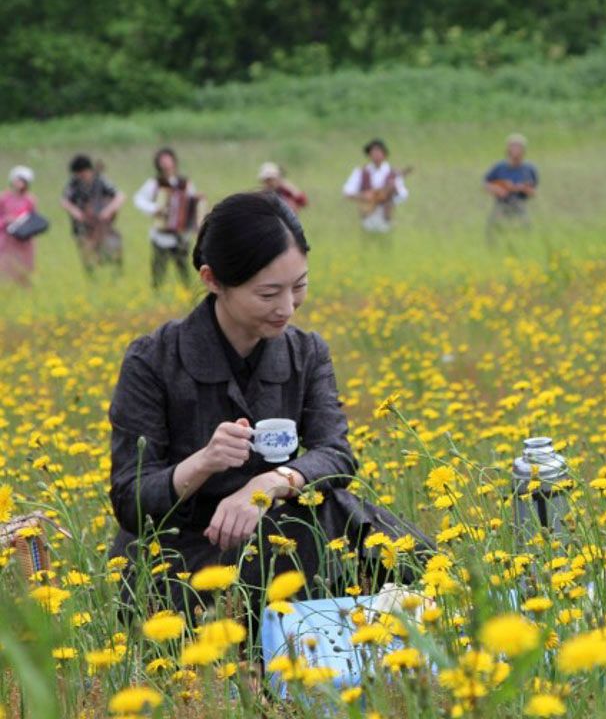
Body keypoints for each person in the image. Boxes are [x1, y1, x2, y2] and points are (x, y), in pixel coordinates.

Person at [107, 192, 429, 622]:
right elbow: (130, 499)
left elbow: (335, 454)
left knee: (344, 515)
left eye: (299, 287)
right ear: (212, 279)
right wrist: (203, 463)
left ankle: (424, 610)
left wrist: (267, 486)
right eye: (268, 293)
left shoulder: (307, 352)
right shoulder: (153, 360)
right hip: (185, 555)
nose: (287, 308)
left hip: (273, 533)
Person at [134, 147, 202, 288]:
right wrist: (154, 209)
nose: (166, 163)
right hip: (161, 234)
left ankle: (187, 294)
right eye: (162, 161)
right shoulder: (154, 183)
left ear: (174, 161)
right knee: (158, 270)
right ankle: (157, 294)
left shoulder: (185, 183)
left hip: (181, 234)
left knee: (184, 269)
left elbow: (193, 203)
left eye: (168, 160)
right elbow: (138, 199)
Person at [60, 155, 126, 275]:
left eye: (83, 173)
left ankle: (115, 276)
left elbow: (120, 196)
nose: (81, 177)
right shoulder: (73, 183)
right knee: (87, 257)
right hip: (83, 227)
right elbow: (64, 201)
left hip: (104, 225)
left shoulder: (101, 180)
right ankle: (93, 281)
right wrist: (76, 212)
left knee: (113, 249)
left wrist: (108, 211)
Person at [342, 139, 409, 235]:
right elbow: (347, 191)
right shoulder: (360, 172)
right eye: (373, 152)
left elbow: (403, 195)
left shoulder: (393, 173)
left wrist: (392, 195)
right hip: (367, 216)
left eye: (379, 152)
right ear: (369, 155)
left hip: (386, 217)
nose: (376, 155)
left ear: (384, 154)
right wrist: (364, 196)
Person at [483, 133, 539, 245]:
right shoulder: (499, 167)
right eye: (513, 146)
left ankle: (525, 245)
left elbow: (533, 191)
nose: (515, 149)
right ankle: (492, 246)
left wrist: (521, 188)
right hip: (501, 203)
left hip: (519, 202)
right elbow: (486, 184)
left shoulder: (529, 169)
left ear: (524, 150)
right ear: (507, 149)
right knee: (492, 227)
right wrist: (498, 189)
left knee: (526, 227)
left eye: (518, 147)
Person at [0, 166, 40, 286]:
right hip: (7, 240)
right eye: (18, 180)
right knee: (6, 269)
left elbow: (34, 220)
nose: (20, 184)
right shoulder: (4, 198)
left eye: (23, 181)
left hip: (24, 240)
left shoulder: (30, 200)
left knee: (24, 270)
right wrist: (7, 220)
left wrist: (22, 222)